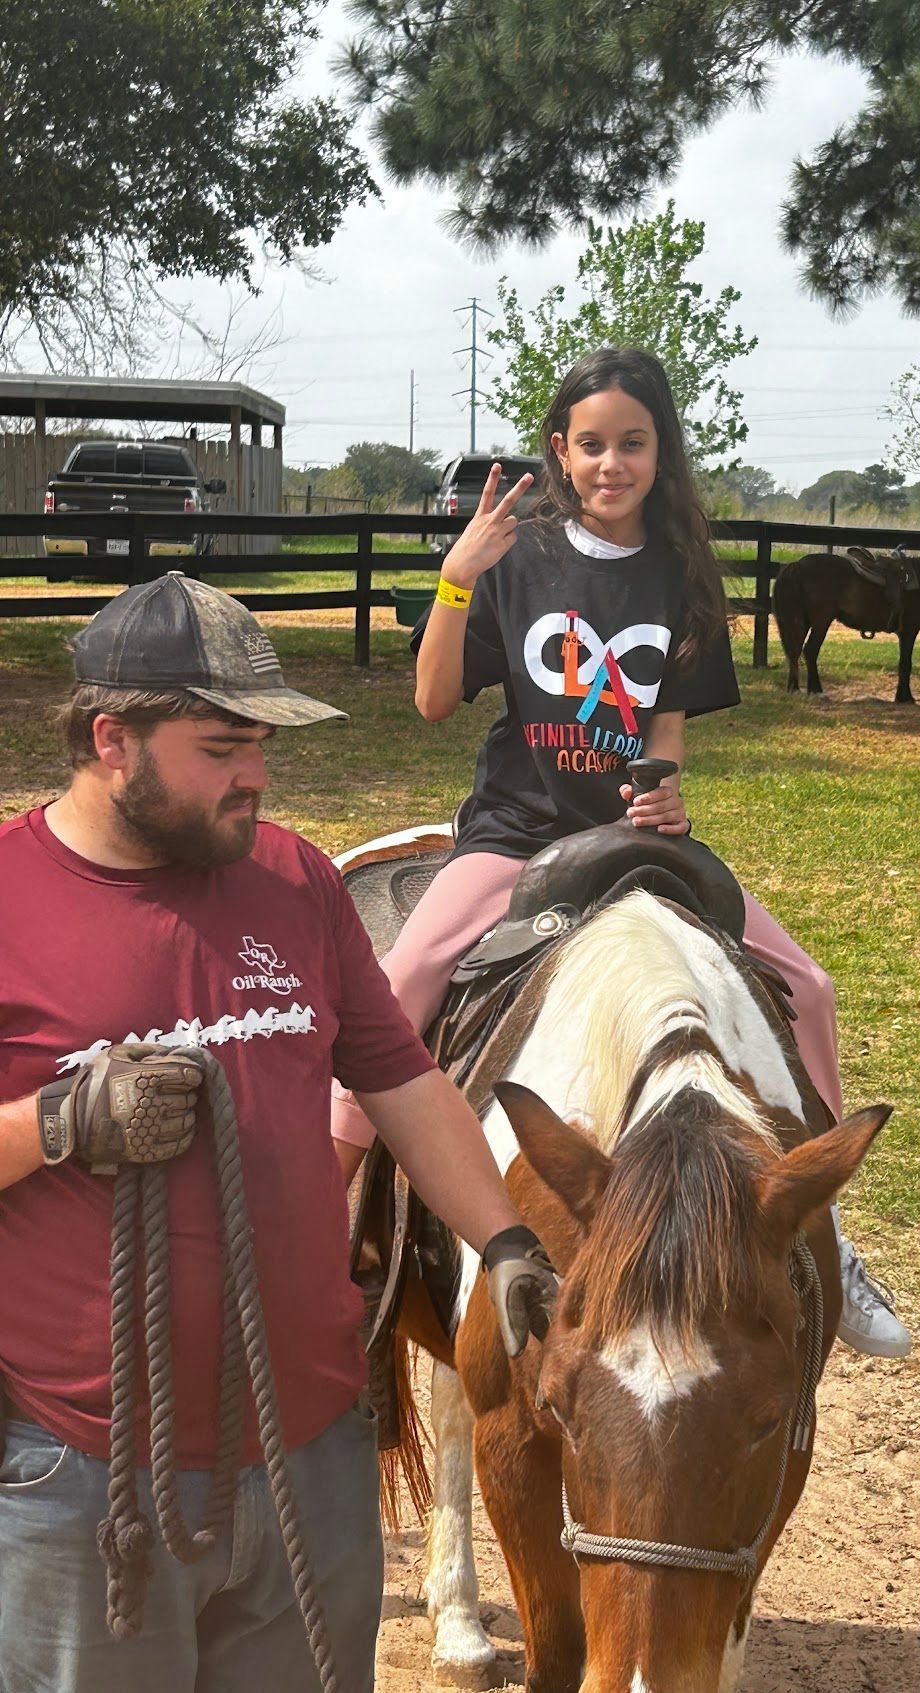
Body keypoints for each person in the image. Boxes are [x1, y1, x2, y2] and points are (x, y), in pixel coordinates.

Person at [0, 572, 557, 1693]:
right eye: (221, 747)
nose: (255, 773)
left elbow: (399, 1078)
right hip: (84, 1475)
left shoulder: (296, 878)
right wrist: (56, 1122)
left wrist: (507, 1246)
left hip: (308, 1449)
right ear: (112, 738)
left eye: (261, 742)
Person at [330, 346, 911, 1360]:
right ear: (561, 450)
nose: (611, 464)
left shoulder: (680, 572)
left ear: (659, 452)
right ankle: (320, 1206)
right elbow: (429, 702)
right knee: (406, 973)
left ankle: (829, 1236)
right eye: (590, 444)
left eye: (631, 444)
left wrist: (668, 783)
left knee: (808, 987)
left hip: (636, 841)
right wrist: (456, 581)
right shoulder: (517, 556)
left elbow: (666, 721)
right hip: (518, 835)